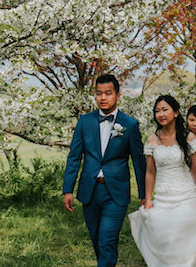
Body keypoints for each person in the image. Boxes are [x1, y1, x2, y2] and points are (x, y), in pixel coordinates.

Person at [129, 95, 196, 267]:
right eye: (157, 111)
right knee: (166, 240)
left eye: (165, 109)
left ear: (175, 113)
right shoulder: (152, 140)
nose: (160, 114)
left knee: (182, 239)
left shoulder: (187, 138)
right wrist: (148, 198)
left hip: (186, 195)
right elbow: (150, 172)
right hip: (162, 196)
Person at [63, 74, 146, 267]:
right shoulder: (85, 122)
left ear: (117, 95)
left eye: (108, 93)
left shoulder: (129, 124)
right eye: (99, 93)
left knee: (107, 241)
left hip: (115, 193)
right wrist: (68, 189)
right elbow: (74, 156)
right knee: (97, 242)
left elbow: (139, 162)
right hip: (89, 191)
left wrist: (144, 194)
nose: (103, 98)